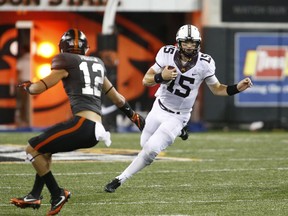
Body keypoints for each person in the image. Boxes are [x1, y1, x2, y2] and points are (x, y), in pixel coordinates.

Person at [10, 28, 145, 215]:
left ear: (62, 48)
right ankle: (34, 194)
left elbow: (39, 88)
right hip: (95, 127)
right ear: (85, 48)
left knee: (32, 149)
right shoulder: (97, 64)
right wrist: (135, 118)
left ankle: (57, 193)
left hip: (83, 125)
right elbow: (118, 99)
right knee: (44, 149)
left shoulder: (66, 63)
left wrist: (28, 87)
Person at [104, 24, 253, 193]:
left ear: (198, 43)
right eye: (186, 42)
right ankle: (181, 132)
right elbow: (146, 80)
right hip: (159, 107)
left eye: (193, 42)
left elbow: (217, 88)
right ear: (178, 43)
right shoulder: (166, 53)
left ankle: (119, 179)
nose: (189, 46)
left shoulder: (205, 63)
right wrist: (161, 76)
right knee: (144, 144)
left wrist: (237, 88)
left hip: (178, 115)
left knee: (151, 150)